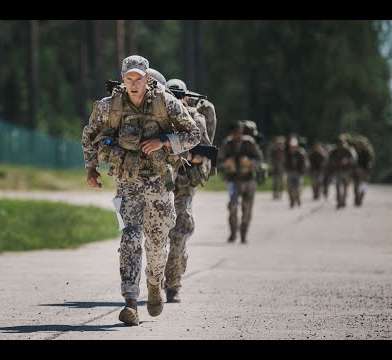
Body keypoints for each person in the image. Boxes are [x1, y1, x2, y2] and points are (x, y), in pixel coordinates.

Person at [81, 55, 200, 326]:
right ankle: (131, 301)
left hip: (159, 181)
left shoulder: (166, 103)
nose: (134, 84)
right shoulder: (108, 106)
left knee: (157, 243)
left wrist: (164, 141)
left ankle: (154, 284)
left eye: (139, 78)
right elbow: (89, 135)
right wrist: (90, 168)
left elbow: (193, 135)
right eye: (128, 78)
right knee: (130, 238)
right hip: (127, 181)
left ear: (148, 78)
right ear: (123, 79)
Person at [163, 78, 215, 303]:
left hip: (183, 185)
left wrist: (184, 155)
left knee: (179, 232)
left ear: (185, 98)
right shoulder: (158, 115)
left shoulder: (195, 119)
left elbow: (204, 156)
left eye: (178, 95)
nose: (174, 99)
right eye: (170, 95)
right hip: (158, 183)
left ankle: (173, 284)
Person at [218, 121, 263, 243]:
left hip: (249, 180)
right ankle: (233, 232)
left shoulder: (249, 143)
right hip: (234, 180)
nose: (238, 135)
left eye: (240, 132)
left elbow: (260, 160)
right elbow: (218, 162)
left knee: (247, 208)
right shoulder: (227, 144)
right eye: (236, 132)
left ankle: (244, 233)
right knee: (232, 206)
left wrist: (250, 162)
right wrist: (226, 163)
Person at [327, 134, 355, 209]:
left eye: (342, 142)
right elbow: (330, 160)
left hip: (347, 171)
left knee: (346, 187)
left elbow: (353, 159)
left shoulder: (349, 150)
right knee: (338, 186)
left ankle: (344, 200)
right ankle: (339, 201)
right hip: (338, 170)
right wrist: (336, 162)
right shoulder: (334, 150)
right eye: (339, 142)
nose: (340, 143)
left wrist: (347, 161)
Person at [285, 136, 308, 208]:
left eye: (294, 146)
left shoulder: (301, 153)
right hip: (290, 172)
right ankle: (292, 201)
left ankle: (298, 198)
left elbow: (304, 163)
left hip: (298, 172)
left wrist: (303, 171)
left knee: (298, 187)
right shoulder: (287, 154)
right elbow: (284, 163)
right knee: (290, 188)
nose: (292, 148)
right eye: (291, 146)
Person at [353, 136, 374, 206]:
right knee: (356, 186)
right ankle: (357, 199)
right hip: (358, 170)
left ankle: (360, 199)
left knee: (364, 186)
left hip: (365, 170)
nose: (360, 145)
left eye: (361, 144)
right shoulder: (356, 151)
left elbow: (370, 161)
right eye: (359, 143)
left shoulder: (368, 151)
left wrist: (368, 167)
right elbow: (354, 160)